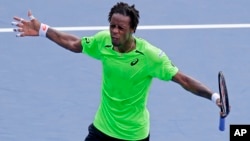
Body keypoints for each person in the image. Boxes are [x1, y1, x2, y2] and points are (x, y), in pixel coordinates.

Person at [12, 2, 222, 141]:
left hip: (133, 135)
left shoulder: (150, 56)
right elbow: (74, 43)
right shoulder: (103, 41)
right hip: (102, 128)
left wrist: (214, 97)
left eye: (121, 28)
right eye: (112, 26)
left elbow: (183, 79)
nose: (115, 31)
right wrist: (42, 30)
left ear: (132, 30)